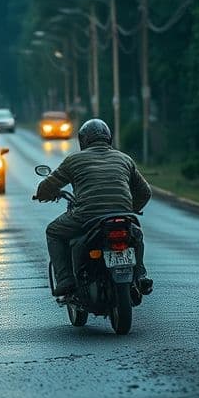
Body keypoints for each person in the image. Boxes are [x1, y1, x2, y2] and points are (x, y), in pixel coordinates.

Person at [35, 118, 153, 297]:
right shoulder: (125, 159)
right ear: (109, 138)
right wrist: (132, 208)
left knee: (53, 231)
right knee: (135, 234)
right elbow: (145, 192)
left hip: (87, 216)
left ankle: (66, 279)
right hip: (124, 215)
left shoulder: (74, 160)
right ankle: (140, 273)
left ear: (83, 140)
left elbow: (47, 187)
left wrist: (43, 195)